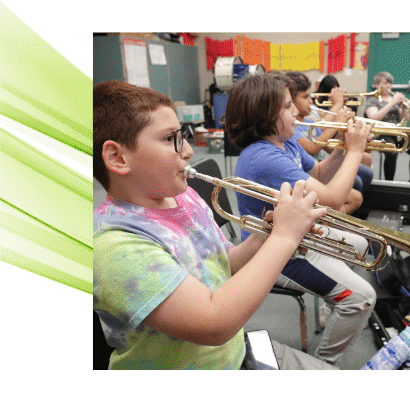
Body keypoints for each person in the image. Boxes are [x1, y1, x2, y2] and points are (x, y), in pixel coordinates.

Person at [93, 80, 332, 370]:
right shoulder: (116, 246)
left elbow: (222, 265)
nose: (189, 151)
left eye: (183, 136)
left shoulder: (184, 197)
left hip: (237, 355)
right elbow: (214, 324)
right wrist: (285, 237)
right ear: (117, 158)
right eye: (170, 139)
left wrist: (266, 237)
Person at [225, 73, 378, 365]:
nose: (296, 110)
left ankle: (331, 303)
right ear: (265, 115)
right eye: (286, 106)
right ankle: (324, 365)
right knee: (363, 298)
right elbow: (332, 199)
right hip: (279, 254)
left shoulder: (285, 143)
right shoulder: (263, 157)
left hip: (300, 237)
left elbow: (319, 173)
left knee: (360, 245)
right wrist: (357, 151)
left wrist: (342, 150)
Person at [284, 72, 372, 201]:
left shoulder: (308, 122)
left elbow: (329, 147)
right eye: (305, 97)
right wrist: (337, 121)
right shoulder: (292, 128)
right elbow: (312, 148)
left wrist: (344, 139)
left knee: (366, 174)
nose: (311, 101)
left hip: (318, 168)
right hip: (308, 177)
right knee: (357, 185)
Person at [365, 71, 410, 182]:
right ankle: (389, 184)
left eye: (390, 83)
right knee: (392, 151)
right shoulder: (372, 100)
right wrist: (391, 103)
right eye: (385, 83)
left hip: (397, 131)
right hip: (380, 132)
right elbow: (374, 118)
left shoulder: (394, 100)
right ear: (377, 84)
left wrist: (404, 108)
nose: (388, 86)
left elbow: (404, 120)